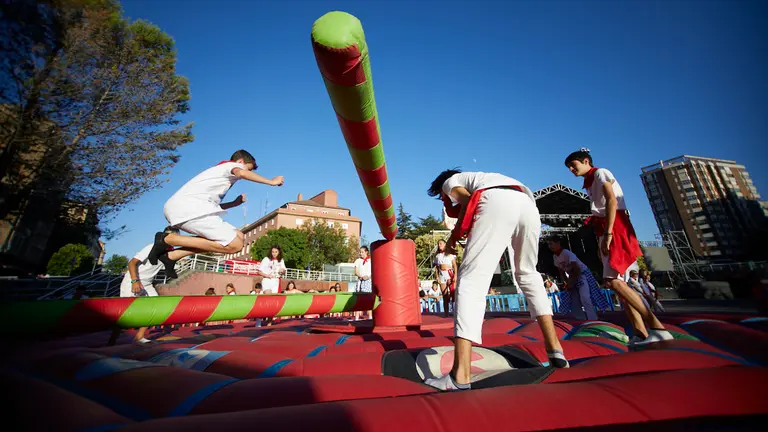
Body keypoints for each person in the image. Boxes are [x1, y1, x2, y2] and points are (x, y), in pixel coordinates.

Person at [424, 169, 568, 391]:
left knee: (471, 280)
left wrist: (453, 238)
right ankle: (556, 350)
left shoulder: (450, 182)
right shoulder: (484, 176)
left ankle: (459, 376)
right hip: (527, 203)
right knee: (528, 273)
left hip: (496, 201)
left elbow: (468, 200)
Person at [565, 149, 672, 344]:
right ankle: (641, 332)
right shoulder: (589, 183)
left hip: (614, 225)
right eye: (569, 167)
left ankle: (656, 325)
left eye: (574, 165)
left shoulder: (600, 173)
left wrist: (609, 233)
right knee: (621, 287)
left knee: (612, 281)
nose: (572, 169)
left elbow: (612, 200)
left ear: (586, 161)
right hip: (605, 227)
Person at [146, 150, 284, 273]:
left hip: (190, 209)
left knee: (239, 235)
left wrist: (234, 203)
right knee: (235, 245)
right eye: (249, 169)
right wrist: (271, 182)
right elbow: (241, 172)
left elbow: (210, 208)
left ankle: (172, 256)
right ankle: (168, 239)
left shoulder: (216, 175)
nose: (248, 174)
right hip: (187, 209)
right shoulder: (231, 166)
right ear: (241, 161)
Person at [117, 243, 196, 344]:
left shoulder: (169, 252)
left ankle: (139, 336)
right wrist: (134, 281)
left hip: (147, 284)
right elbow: (132, 263)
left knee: (155, 307)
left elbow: (185, 250)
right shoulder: (151, 247)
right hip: (133, 280)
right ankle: (113, 338)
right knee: (125, 313)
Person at [547, 236, 609, 321]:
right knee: (574, 300)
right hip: (572, 277)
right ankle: (581, 319)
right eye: (548, 244)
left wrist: (571, 282)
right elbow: (561, 272)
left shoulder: (567, 253)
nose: (550, 246)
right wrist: (566, 282)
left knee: (585, 297)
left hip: (582, 275)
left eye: (551, 243)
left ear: (558, 243)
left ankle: (593, 319)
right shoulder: (555, 257)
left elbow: (577, 269)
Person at [434, 239, 458, 317]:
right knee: (444, 295)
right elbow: (436, 268)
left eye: (440, 243)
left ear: (445, 244)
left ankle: (455, 312)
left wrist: (455, 275)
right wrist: (437, 277)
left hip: (449, 273)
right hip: (441, 274)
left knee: (452, 293)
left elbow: (455, 265)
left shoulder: (450, 255)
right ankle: (446, 313)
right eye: (438, 244)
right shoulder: (437, 256)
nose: (439, 245)